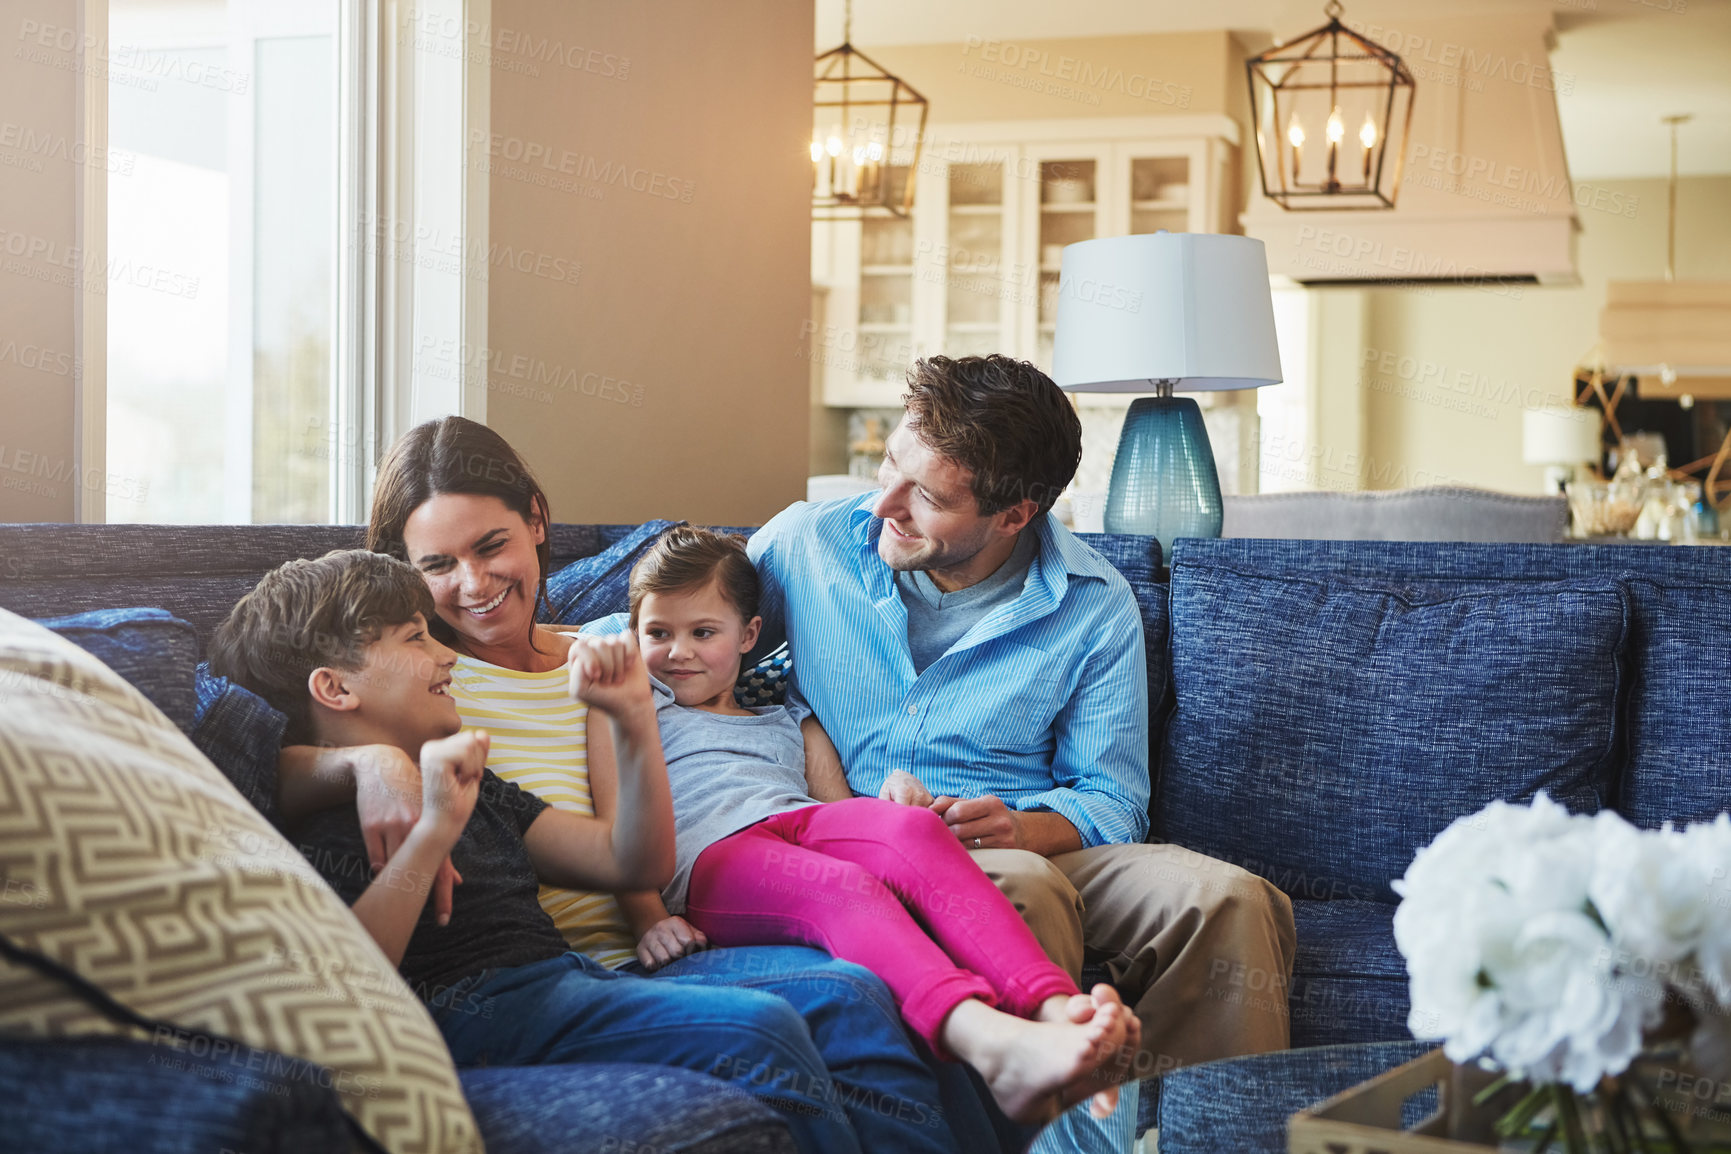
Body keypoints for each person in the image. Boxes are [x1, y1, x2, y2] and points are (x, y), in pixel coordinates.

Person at [274, 417, 990, 1153]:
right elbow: (278, 753)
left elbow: (711, 698)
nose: (475, 585)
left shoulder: (620, 648)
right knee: (801, 1015)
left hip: (669, 943)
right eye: (438, 565)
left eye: (493, 546)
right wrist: (370, 766)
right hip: (553, 973)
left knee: (866, 992)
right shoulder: (428, 690)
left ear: (536, 522)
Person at [747, 355, 1299, 1143]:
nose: (884, 506)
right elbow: (672, 631)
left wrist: (1016, 824)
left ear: (1015, 515)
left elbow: (1110, 799)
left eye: (928, 498)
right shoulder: (806, 543)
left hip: (1018, 831)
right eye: (888, 467)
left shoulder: (1092, 604)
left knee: (1228, 900)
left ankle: (1202, 1140)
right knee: (1022, 887)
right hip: (866, 838)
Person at [209, 548, 864, 1152]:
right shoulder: (325, 810)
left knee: (845, 992)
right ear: (336, 689)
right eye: (417, 639)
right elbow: (345, 986)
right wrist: (432, 829)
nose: (446, 657)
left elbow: (626, 863)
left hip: (564, 981)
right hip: (483, 1010)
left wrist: (631, 719)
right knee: (759, 1030)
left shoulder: (470, 778)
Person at [613, 525, 1139, 1125]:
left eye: (702, 633)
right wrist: (647, 917)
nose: (677, 652)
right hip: (715, 860)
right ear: (634, 638)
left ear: (748, 635)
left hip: (796, 822)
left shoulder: (786, 713)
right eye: (658, 634)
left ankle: (1055, 1010)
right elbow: (609, 797)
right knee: (841, 887)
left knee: (916, 833)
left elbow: (836, 810)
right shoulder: (635, 701)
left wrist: (894, 806)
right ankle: (988, 1041)